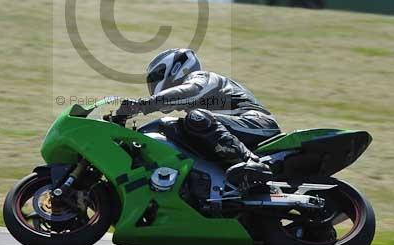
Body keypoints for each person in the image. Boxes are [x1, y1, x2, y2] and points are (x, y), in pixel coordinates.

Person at [115, 48, 281, 184]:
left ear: (175, 68)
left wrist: (142, 105)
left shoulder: (202, 77)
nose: (153, 85)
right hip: (239, 128)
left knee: (196, 118)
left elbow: (189, 92)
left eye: (156, 78)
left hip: (257, 123)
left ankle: (252, 163)